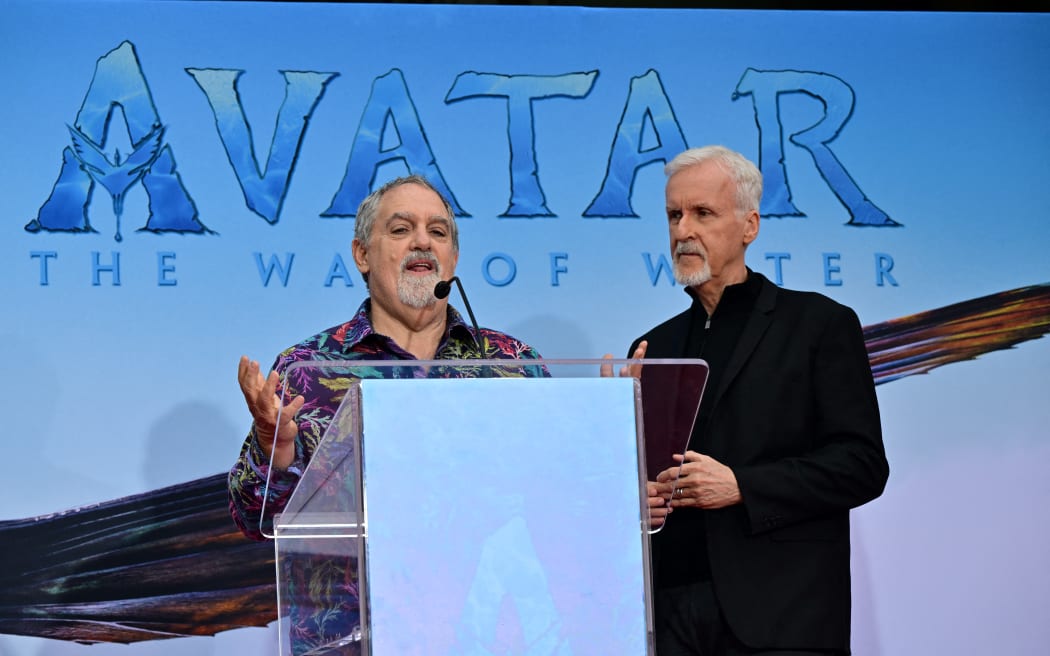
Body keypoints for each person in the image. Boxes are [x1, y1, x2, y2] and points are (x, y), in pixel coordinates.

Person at [228, 174, 543, 654]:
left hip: (487, 635)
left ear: (453, 259)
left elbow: (553, 507)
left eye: (438, 232)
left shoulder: (511, 365)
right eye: (400, 230)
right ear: (361, 255)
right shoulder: (306, 371)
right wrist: (276, 445)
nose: (422, 241)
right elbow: (256, 520)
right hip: (349, 641)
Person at [630, 146, 889, 655]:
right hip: (669, 620)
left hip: (782, 618)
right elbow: (642, 483)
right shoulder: (653, 346)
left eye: (703, 213)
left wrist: (742, 486)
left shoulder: (818, 325)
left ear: (749, 226)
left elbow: (861, 465)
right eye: (673, 215)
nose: (683, 230)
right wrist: (635, 489)